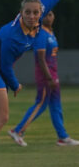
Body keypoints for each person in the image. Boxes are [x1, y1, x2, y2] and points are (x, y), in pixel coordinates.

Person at [0, 0, 78, 167]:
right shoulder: (11, 36)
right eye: (27, 13)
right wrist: (15, 84)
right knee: (2, 117)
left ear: (41, 11)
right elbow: (7, 67)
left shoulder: (39, 12)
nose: (32, 16)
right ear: (21, 13)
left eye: (35, 12)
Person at [8, 11, 79, 147]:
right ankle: (17, 131)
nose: (49, 17)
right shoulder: (41, 34)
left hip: (53, 75)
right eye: (46, 14)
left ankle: (62, 137)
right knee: (40, 104)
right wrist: (49, 77)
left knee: (56, 106)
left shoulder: (51, 33)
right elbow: (40, 58)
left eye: (51, 14)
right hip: (46, 76)